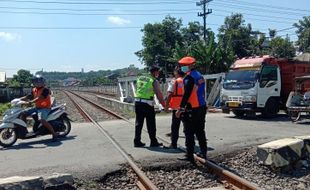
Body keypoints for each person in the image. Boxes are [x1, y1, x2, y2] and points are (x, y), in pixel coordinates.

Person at [175, 56, 208, 162]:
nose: (181, 68)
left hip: (192, 108)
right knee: (200, 131)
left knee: (189, 132)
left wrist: (180, 108)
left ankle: (189, 155)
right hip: (201, 106)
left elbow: (187, 94)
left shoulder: (189, 78)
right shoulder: (199, 76)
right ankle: (203, 152)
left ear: (189, 66)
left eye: (183, 66)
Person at [134, 65, 166, 147]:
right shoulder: (153, 81)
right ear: (155, 72)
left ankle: (137, 141)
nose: (158, 73)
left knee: (139, 122)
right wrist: (164, 105)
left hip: (138, 102)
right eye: (158, 71)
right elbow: (159, 94)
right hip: (147, 103)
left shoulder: (140, 78)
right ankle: (153, 141)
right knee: (151, 123)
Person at [21, 75, 58, 141]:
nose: (38, 83)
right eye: (36, 82)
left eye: (39, 82)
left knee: (41, 120)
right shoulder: (34, 89)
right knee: (23, 114)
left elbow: (40, 98)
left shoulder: (45, 89)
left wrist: (31, 102)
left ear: (43, 82)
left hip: (45, 108)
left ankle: (54, 134)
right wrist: (18, 99)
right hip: (37, 107)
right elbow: (28, 96)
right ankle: (24, 131)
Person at [164, 67, 185, 149]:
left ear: (177, 73)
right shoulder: (186, 80)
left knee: (175, 126)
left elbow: (169, 94)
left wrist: (166, 106)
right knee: (187, 126)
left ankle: (174, 144)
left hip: (176, 107)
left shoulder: (174, 81)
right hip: (185, 107)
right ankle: (190, 144)